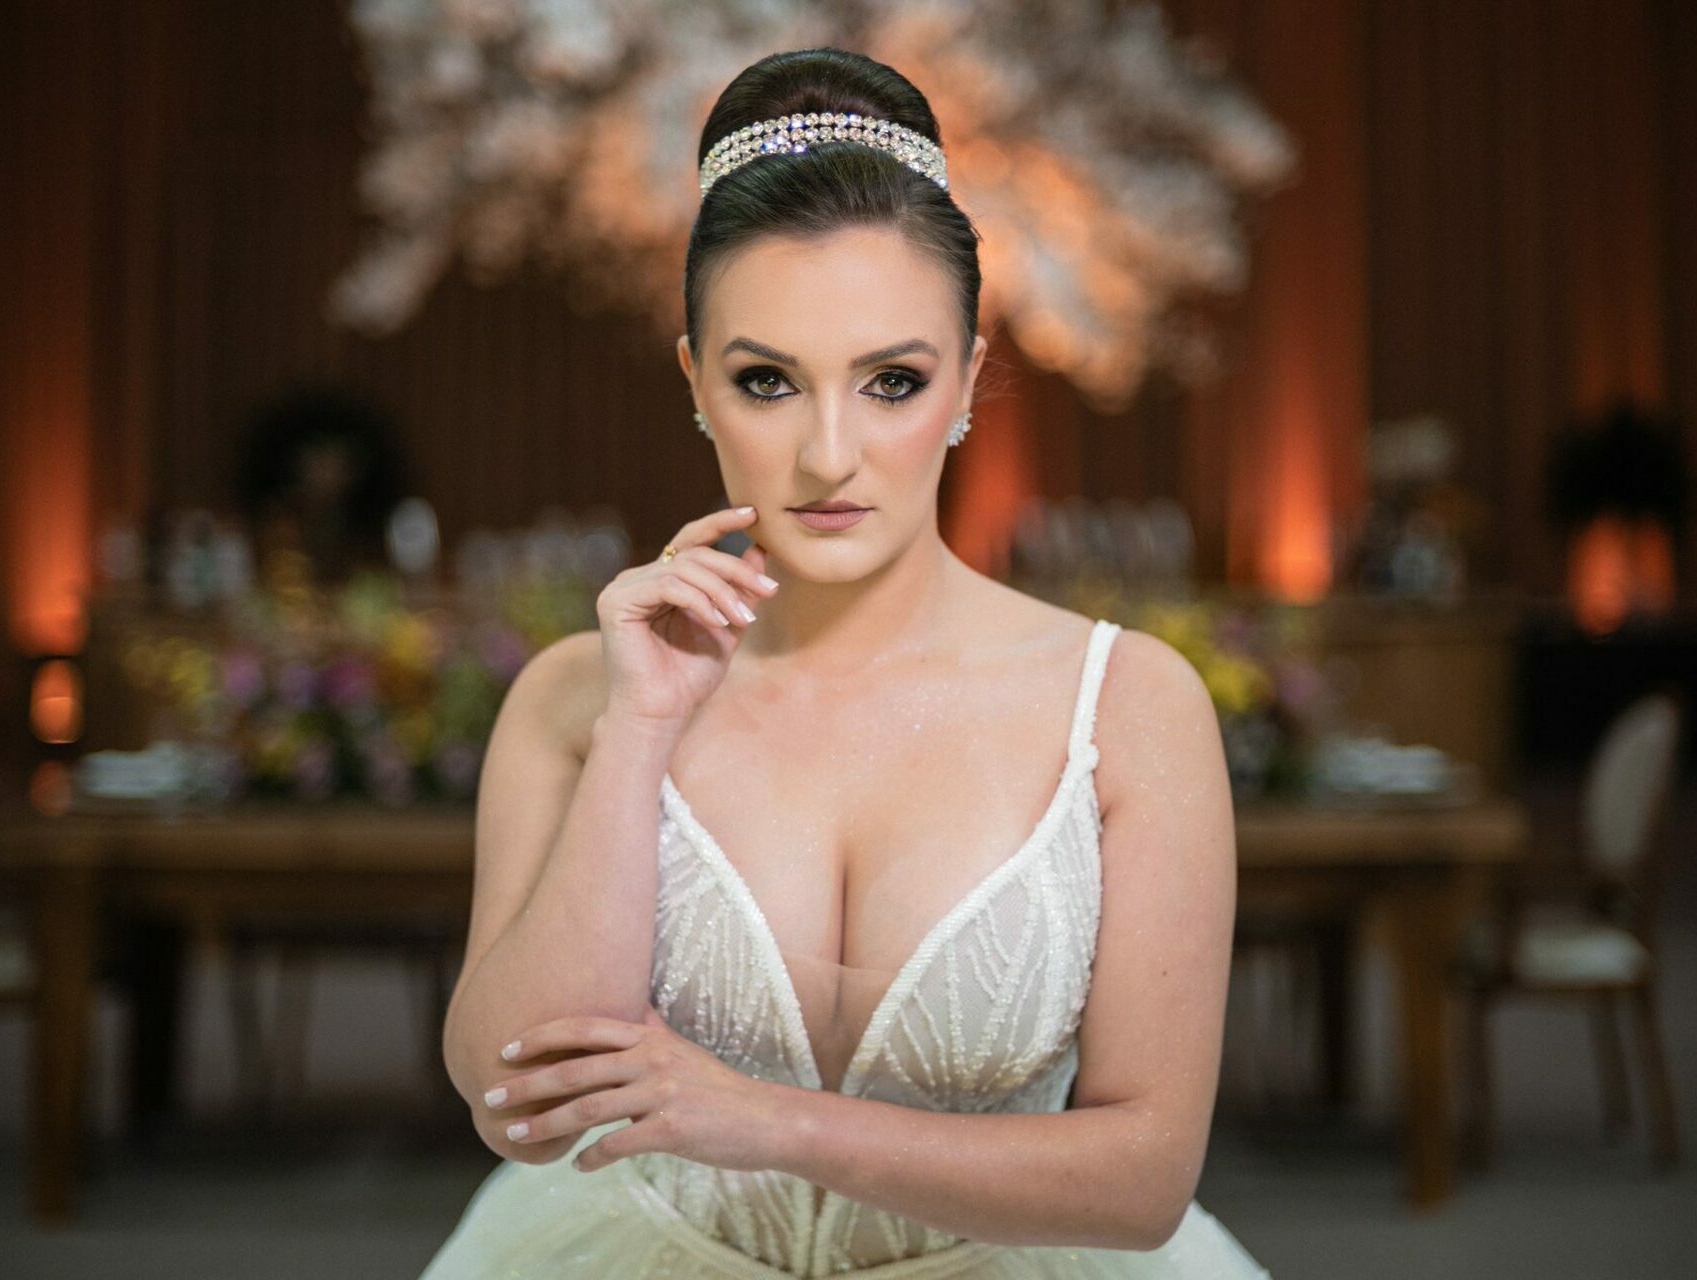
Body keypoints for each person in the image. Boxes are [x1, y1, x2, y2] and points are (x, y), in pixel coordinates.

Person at [421, 47, 1271, 1279]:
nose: (829, 454)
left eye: (892, 381)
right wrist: (640, 729)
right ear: (697, 383)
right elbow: (519, 1106)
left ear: (968, 379)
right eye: (767, 380)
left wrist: (769, 1121)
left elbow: (1143, 1180)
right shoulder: (578, 694)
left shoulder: (1129, 705)